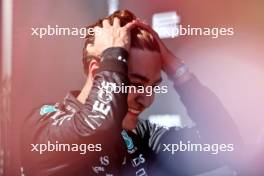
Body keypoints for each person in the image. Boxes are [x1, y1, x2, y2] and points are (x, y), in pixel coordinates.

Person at [21, 10, 242, 176]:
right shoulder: (43, 126)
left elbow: (224, 144)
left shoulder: (142, 138)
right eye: (136, 84)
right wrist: (114, 55)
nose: (147, 99)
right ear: (98, 71)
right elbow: (95, 128)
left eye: (154, 86)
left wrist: (177, 70)